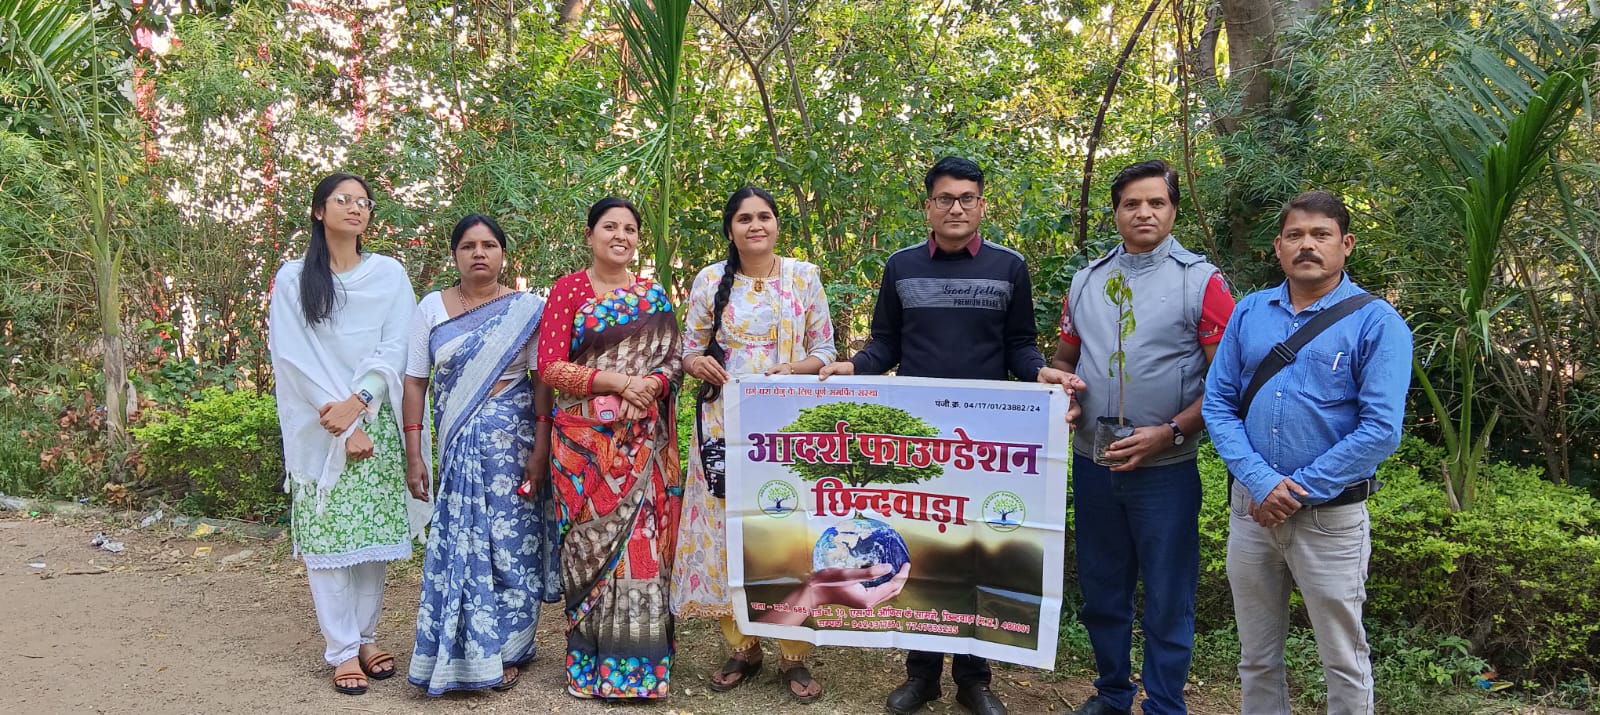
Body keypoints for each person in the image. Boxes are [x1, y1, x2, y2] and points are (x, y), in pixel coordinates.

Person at [819, 156, 1084, 715]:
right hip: (917, 441)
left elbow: (1019, 346)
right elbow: (885, 344)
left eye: (967, 198)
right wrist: (855, 366)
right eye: (945, 198)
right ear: (929, 207)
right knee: (920, 546)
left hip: (984, 443)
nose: (956, 207)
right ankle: (921, 676)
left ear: (982, 205)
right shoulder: (901, 266)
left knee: (973, 551)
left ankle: (974, 679)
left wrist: (1041, 372)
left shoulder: (1009, 267)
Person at [1203, 190, 1411, 715]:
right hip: (1251, 513)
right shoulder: (1250, 312)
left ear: (1346, 243)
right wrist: (1261, 482)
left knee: (1343, 658)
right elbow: (1218, 404)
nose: (1307, 245)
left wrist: (1295, 491)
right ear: (1278, 246)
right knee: (1256, 657)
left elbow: (1381, 430)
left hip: (1329, 519)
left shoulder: (1377, 322)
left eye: (1321, 234)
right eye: (1295, 235)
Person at [1052, 160, 1235, 715]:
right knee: (1103, 589)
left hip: (1166, 471)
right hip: (1094, 462)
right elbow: (1065, 361)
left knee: (1167, 594)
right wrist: (1066, 394)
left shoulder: (1201, 282)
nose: (1144, 213)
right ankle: (1112, 693)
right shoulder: (1087, 281)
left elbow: (1227, 384)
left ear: (1173, 209)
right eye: (1131, 203)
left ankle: (1164, 703)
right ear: (1116, 212)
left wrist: (1170, 432)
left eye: (1156, 202)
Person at [674, 186, 838, 703]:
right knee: (728, 531)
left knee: (786, 531)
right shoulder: (709, 280)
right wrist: (697, 363)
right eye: (744, 218)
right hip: (723, 425)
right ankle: (742, 646)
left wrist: (793, 370)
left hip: (788, 429)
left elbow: (825, 350)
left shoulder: (804, 277)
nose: (755, 225)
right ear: (731, 229)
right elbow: (688, 350)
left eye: (764, 216)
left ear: (776, 224)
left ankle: (794, 653)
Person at [268, 172, 424, 696]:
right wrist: (339, 424)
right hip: (320, 427)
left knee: (371, 541)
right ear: (319, 211)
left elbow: (396, 346)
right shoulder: (293, 279)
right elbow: (293, 358)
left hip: (374, 421)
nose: (356, 208)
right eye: (343, 200)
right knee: (329, 539)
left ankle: (366, 637)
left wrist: (359, 407)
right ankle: (340, 650)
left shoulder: (388, 274)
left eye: (364, 202)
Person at [401, 214, 563, 695]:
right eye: (468, 246)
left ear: (502, 255)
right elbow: (415, 381)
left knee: (513, 544)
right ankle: (465, 647)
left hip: (514, 445)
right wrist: (415, 453)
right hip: (457, 448)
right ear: (454, 254)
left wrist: (541, 446)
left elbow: (542, 381)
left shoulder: (527, 309)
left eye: (489, 245)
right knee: (463, 544)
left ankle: (509, 647)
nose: (479, 253)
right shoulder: (432, 308)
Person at [537, 197, 684, 700]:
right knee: (586, 550)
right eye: (609, 227)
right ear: (590, 235)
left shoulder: (653, 296)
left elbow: (674, 361)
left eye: (629, 229)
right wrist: (618, 382)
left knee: (641, 550)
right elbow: (550, 367)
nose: (620, 236)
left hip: (643, 446)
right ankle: (588, 665)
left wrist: (652, 387)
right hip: (583, 450)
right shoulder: (568, 290)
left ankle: (639, 670)